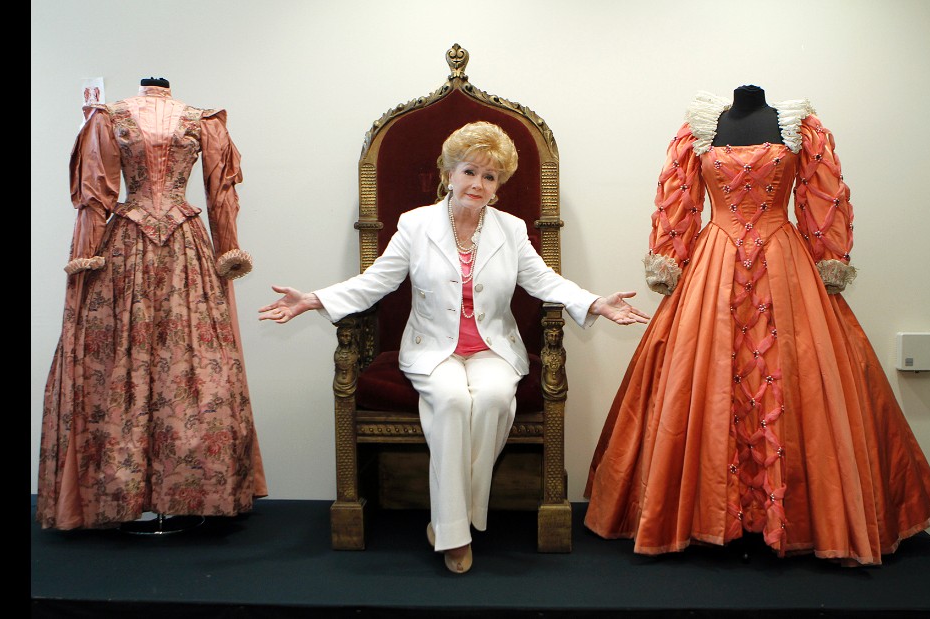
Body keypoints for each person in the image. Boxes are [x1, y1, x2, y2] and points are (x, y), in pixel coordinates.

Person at [260, 121, 650, 573]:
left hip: (493, 349)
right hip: (433, 349)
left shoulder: (512, 229)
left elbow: (543, 280)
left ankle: (455, 517)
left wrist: (595, 302)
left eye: (490, 177)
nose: (478, 184)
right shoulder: (415, 224)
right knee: (448, 400)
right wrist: (313, 299)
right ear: (449, 173)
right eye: (470, 172)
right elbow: (376, 282)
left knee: (491, 398)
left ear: (498, 185)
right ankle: (454, 532)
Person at [582, 88, 930, 566]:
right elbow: (681, 202)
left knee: (800, 381)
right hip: (713, 265)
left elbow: (823, 198)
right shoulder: (698, 128)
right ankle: (707, 515)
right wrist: (670, 259)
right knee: (702, 382)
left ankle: (791, 516)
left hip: (784, 265)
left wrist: (829, 261)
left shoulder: (800, 125)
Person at [37, 80, 268, 530]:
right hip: (130, 253)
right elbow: (96, 196)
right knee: (124, 362)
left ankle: (188, 492)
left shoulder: (202, 121)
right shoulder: (109, 118)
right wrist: (84, 259)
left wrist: (229, 249)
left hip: (182, 250)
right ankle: (126, 493)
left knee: (192, 363)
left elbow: (221, 193)